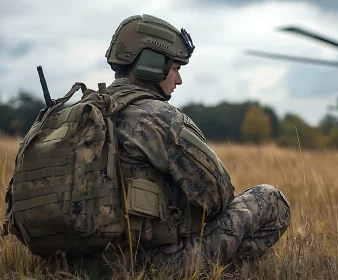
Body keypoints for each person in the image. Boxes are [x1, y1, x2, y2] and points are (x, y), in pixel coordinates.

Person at [103, 14, 291, 271]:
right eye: (175, 69)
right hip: (150, 265)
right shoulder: (160, 117)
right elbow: (218, 196)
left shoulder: (78, 115)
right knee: (272, 200)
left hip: (84, 260)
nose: (179, 80)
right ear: (152, 63)